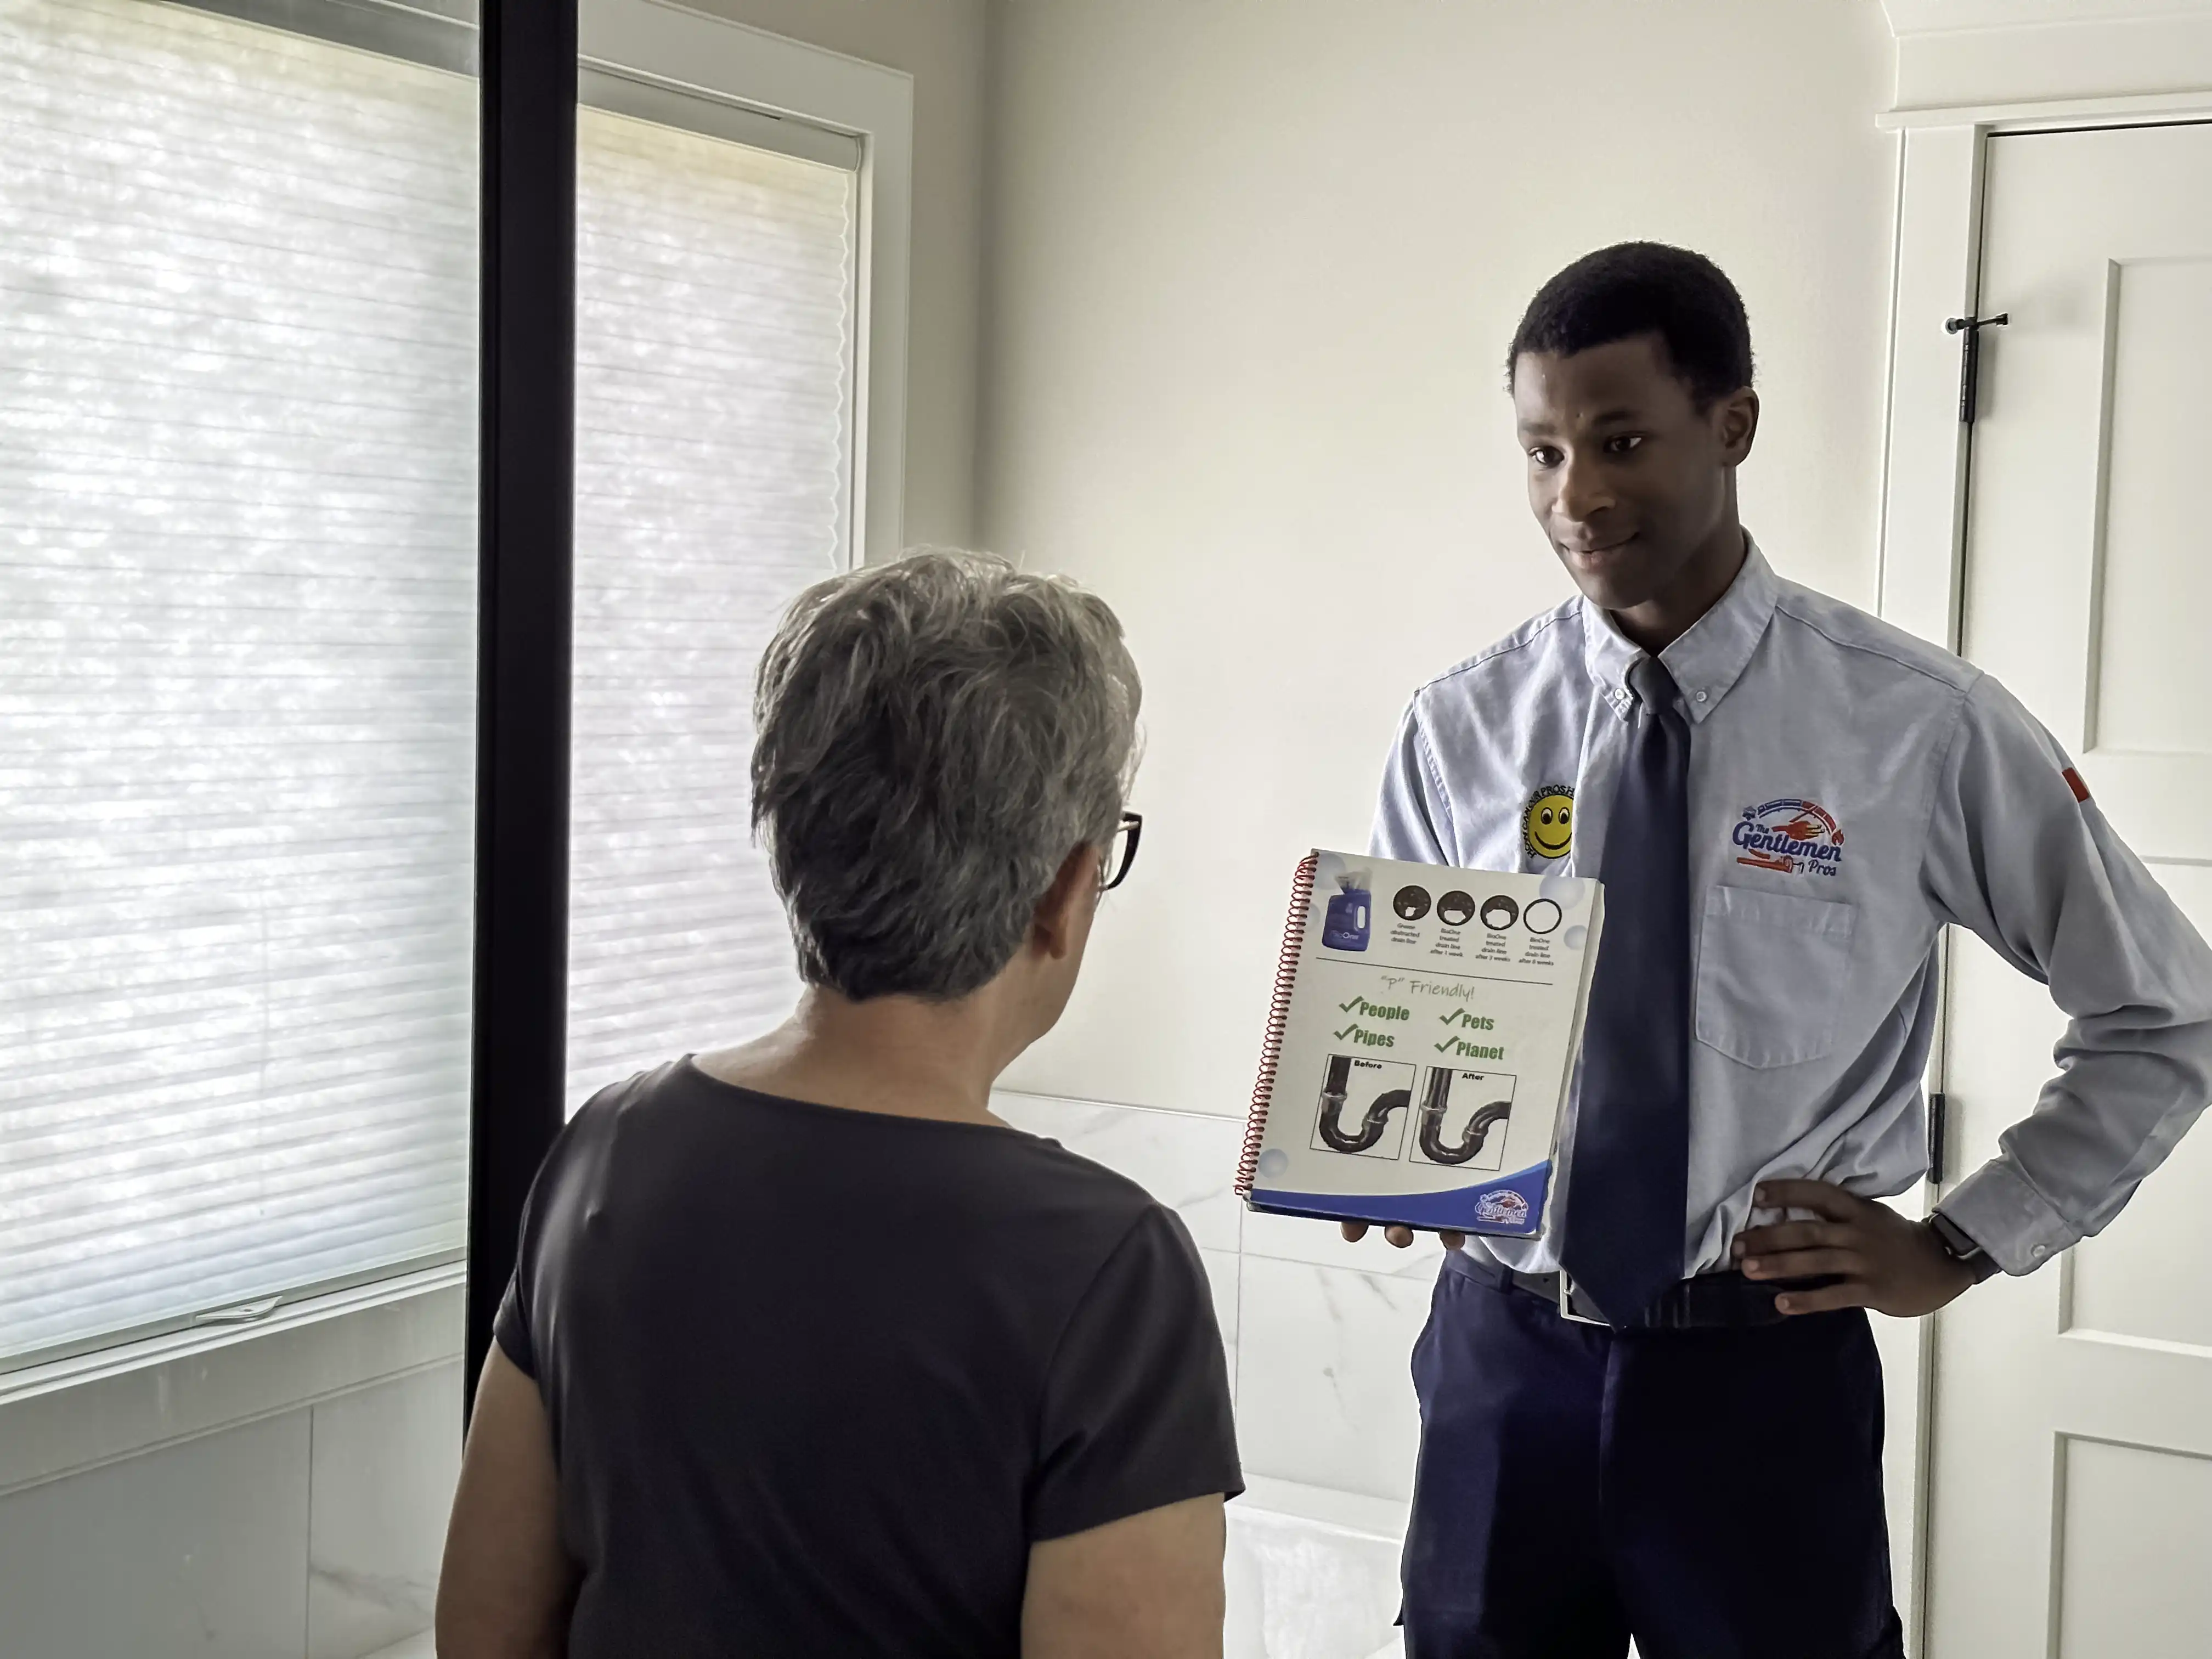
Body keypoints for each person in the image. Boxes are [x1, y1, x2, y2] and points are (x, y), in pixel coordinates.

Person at [1349, 242, 2212, 1658]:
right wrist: (1396, 1159)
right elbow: (1411, 1017)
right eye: (1543, 451)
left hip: (1759, 1378)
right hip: (1505, 1363)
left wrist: (1967, 1241)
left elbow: (2165, 1014)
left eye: (1621, 441)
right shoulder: (1460, 727)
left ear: (1733, 426)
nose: (1579, 497)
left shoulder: (1917, 726)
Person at [436, 551, 1242, 1659]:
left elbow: (484, 1629)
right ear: (1065, 890)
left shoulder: (605, 1151)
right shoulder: (1105, 1270)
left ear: (793, 842)